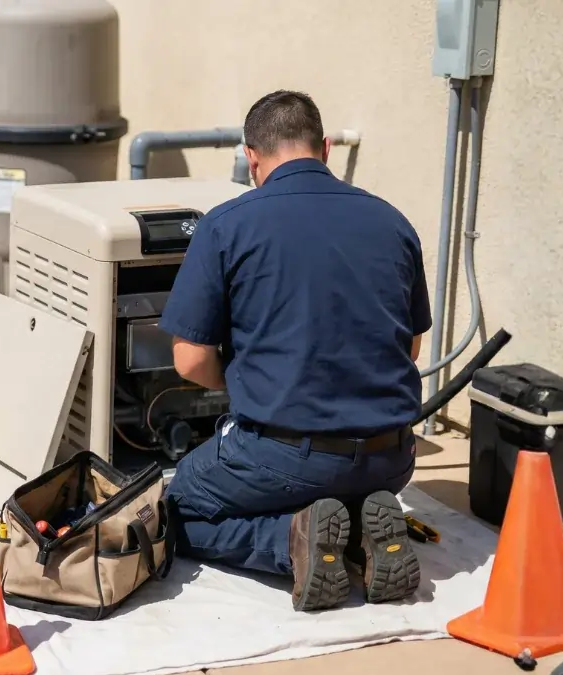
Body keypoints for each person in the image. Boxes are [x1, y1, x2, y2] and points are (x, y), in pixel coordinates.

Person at [160, 90, 434, 612]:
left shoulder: (226, 224)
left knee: (172, 508)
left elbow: (190, 359)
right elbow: (411, 345)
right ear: (325, 148)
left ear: (251, 158)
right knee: (336, 488)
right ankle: (359, 535)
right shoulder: (393, 222)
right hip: (392, 458)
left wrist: (250, 380)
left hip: (285, 458)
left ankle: (291, 543)